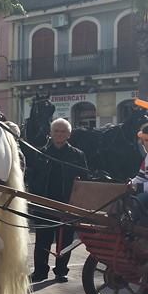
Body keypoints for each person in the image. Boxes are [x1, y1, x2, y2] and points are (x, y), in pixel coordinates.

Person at [27, 118, 88, 283]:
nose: (59, 134)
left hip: (67, 204)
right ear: (51, 133)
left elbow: (84, 180)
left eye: (63, 131)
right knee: (42, 239)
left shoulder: (77, 155)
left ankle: (61, 271)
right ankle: (40, 272)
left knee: (65, 239)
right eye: (56, 131)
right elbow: (32, 177)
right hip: (44, 204)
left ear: (68, 134)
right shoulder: (40, 153)